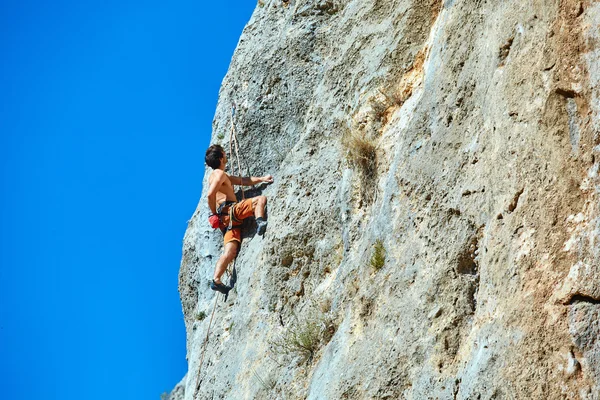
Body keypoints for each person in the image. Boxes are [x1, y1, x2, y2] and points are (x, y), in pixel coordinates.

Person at [204, 144, 273, 294]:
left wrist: (261, 179)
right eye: (224, 153)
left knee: (230, 251)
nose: (226, 155)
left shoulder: (221, 175)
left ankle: (216, 279)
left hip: (227, 221)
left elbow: (244, 180)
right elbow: (210, 195)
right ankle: (260, 221)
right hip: (230, 210)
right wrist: (214, 213)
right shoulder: (219, 174)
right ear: (221, 157)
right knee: (260, 200)